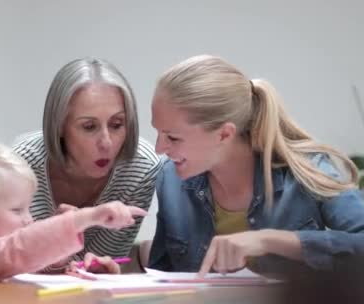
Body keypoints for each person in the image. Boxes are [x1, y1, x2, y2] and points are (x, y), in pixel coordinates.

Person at [145, 54, 364, 277]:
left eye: (172, 137)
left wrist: (269, 240)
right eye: (158, 132)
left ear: (224, 134)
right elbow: (161, 278)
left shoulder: (308, 169)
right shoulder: (170, 180)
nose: (159, 149)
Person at [0, 142, 147, 302]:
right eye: (17, 210)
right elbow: (19, 249)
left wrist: (82, 273)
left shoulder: (0, 260)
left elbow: (27, 269)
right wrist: (86, 218)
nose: (29, 219)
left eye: (28, 208)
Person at [12, 57, 162, 270]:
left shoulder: (141, 167)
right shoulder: (20, 165)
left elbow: (102, 263)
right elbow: (6, 264)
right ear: (60, 125)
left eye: (117, 124)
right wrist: (53, 241)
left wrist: (100, 268)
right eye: (89, 126)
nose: (106, 142)